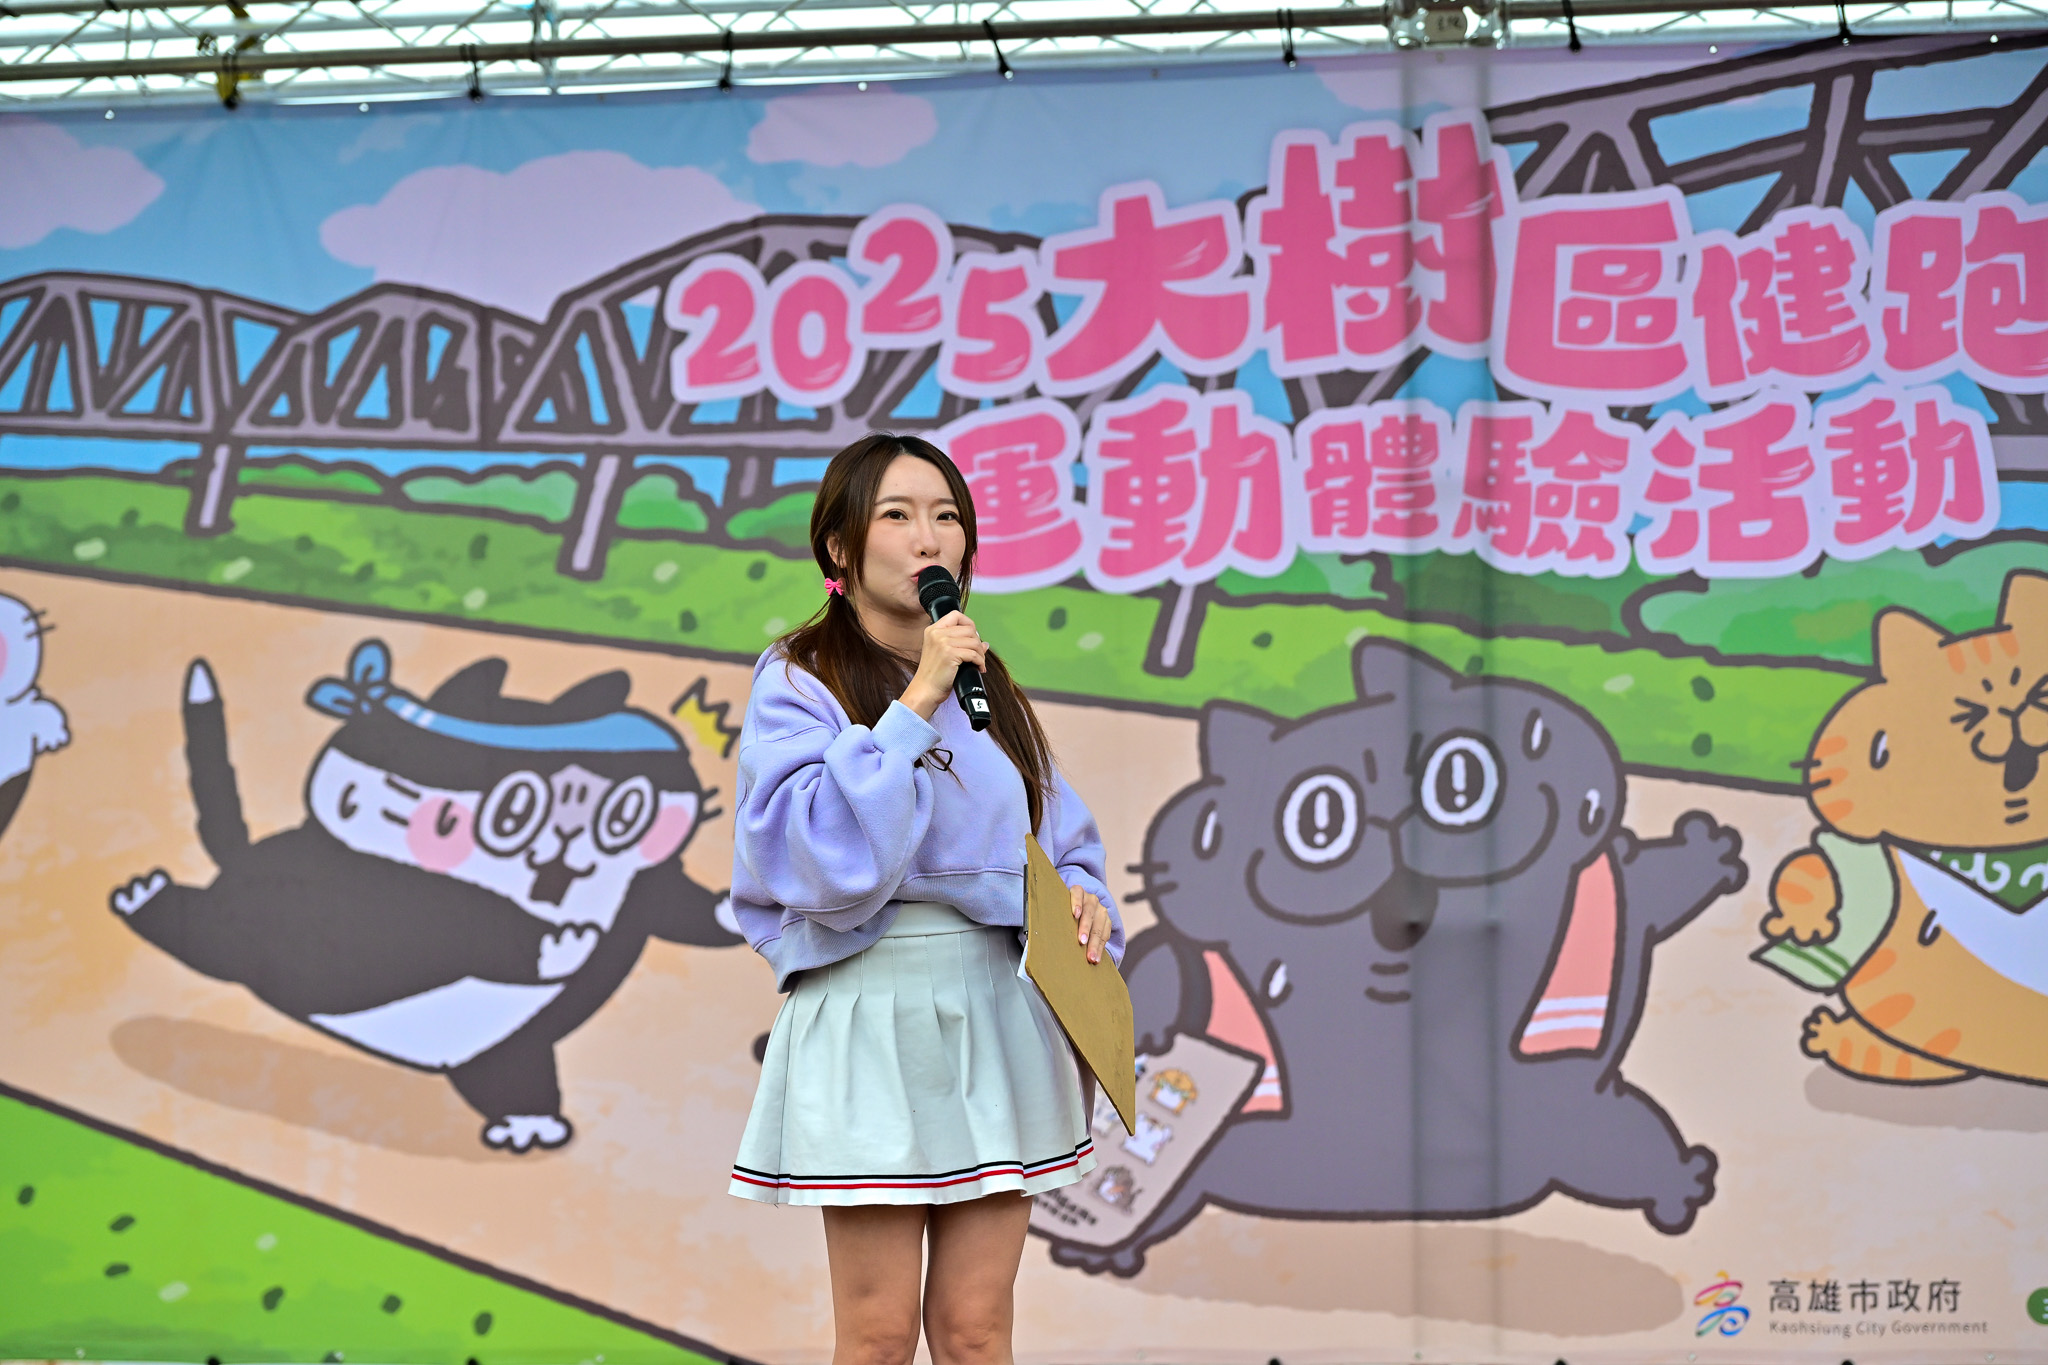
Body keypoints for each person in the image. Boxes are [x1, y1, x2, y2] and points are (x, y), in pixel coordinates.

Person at [726, 431, 1123, 1365]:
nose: (928, 537)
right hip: (870, 1002)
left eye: (947, 516)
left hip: (996, 1004)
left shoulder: (988, 681)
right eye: (898, 515)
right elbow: (814, 856)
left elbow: (1053, 831)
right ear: (840, 546)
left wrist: (1082, 892)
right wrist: (915, 703)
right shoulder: (801, 677)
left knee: (977, 1331)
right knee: (875, 1336)